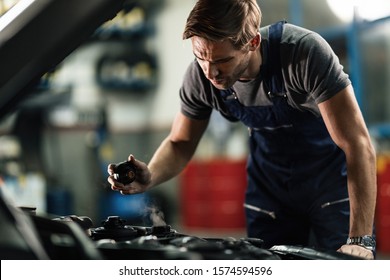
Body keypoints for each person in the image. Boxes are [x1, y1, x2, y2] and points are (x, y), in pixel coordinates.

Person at [107, 0, 377, 259]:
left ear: (253, 43)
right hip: (269, 193)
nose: (211, 72)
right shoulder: (200, 77)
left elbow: (357, 144)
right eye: (200, 57)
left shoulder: (303, 54)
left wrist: (360, 240)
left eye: (222, 60)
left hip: (330, 188)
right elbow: (181, 142)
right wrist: (150, 175)